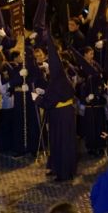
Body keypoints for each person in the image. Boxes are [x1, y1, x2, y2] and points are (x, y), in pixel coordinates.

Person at [39, 31, 77, 182]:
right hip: (63, 114)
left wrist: (38, 99)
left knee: (61, 143)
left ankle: (63, 172)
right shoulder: (63, 79)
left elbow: (49, 102)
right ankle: (57, 166)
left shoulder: (57, 82)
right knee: (59, 141)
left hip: (60, 116)